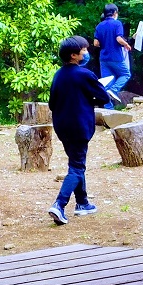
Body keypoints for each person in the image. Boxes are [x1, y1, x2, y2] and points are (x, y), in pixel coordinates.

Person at [47, 36, 112, 225]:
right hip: (79, 127)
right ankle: (59, 204)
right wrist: (89, 100)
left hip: (62, 126)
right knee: (76, 167)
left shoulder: (58, 75)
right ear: (74, 55)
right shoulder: (84, 75)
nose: (86, 53)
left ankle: (83, 203)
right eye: (83, 50)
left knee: (75, 162)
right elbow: (104, 97)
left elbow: (52, 104)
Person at [93, 3, 132, 108]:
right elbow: (118, 39)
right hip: (115, 57)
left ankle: (109, 111)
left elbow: (96, 43)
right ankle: (114, 90)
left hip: (104, 58)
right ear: (115, 12)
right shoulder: (117, 23)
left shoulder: (99, 26)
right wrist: (126, 44)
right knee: (126, 74)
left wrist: (104, 42)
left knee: (107, 82)